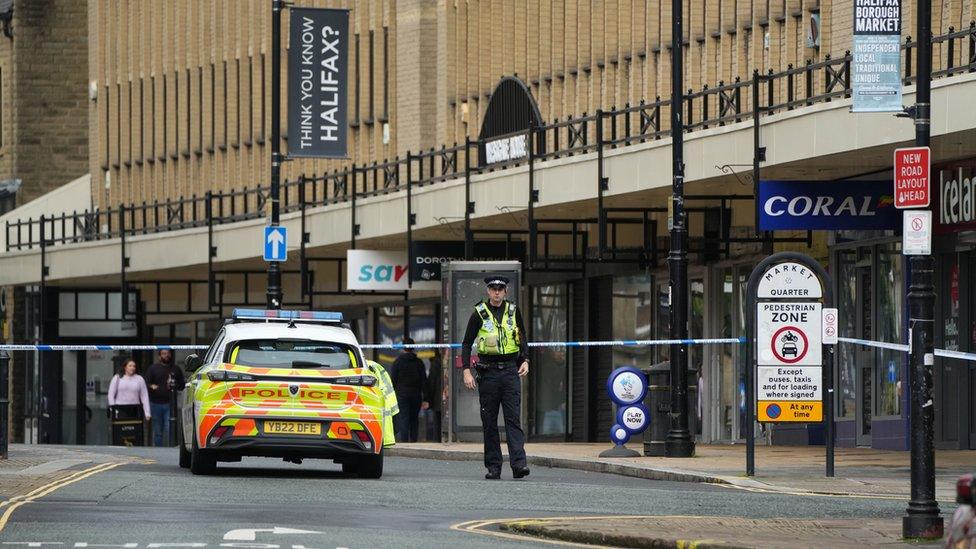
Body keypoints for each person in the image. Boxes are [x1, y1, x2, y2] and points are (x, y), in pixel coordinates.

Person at [461, 275, 530, 480]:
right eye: (493, 289)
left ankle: (519, 465)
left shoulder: (513, 311)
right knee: (489, 421)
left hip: (510, 370)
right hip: (488, 372)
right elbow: (466, 343)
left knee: (513, 420)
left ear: (505, 291)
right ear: (488, 291)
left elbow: (523, 337)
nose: (497, 292)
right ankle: (493, 467)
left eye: (500, 289)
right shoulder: (479, 313)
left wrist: (525, 360)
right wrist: (466, 370)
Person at [389, 337, 427, 443]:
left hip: (402, 395)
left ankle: (404, 441)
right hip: (416, 394)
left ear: (403, 348)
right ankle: (414, 440)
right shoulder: (419, 363)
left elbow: (393, 380)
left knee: (404, 418)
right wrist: (426, 397)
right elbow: (424, 381)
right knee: (414, 418)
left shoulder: (397, 362)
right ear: (413, 348)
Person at [144, 349, 185, 447]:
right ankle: (158, 450)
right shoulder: (153, 368)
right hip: (156, 403)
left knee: (170, 428)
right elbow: (145, 383)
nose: (166, 355)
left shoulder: (176, 369)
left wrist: (174, 385)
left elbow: (182, 385)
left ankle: (171, 448)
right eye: (164, 354)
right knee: (158, 430)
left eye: (168, 353)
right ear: (159, 356)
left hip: (170, 404)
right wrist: (151, 386)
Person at [108, 359, 152, 443]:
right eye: (130, 366)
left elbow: (144, 396)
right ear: (125, 367)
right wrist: (113, 409)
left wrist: (147, 413)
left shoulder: (139, 379)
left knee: (134, 432)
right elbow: (111, 394)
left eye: (134, 366)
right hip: (120, 409)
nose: (132, 368)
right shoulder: (117, 378)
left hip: (135, 409)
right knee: (121, 432)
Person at [424, 349, 443, 442]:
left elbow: (431, 382)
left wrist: (428, 398)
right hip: (443, 397)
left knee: (438, 420)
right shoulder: (443, 363)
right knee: (440, 419)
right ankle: (440, 438)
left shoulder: (435, 363)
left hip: (437, 397)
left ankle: (438, 439)